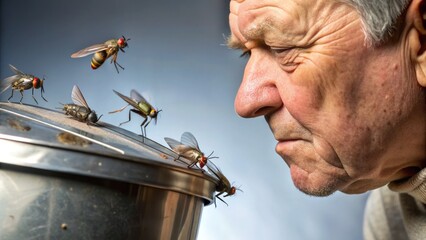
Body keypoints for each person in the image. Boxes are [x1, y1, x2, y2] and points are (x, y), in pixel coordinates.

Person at [227, 0, 426, 239]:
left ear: (422, 44)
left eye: (283, 48)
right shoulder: (391, 218)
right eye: (247, 53)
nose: (245, 101)